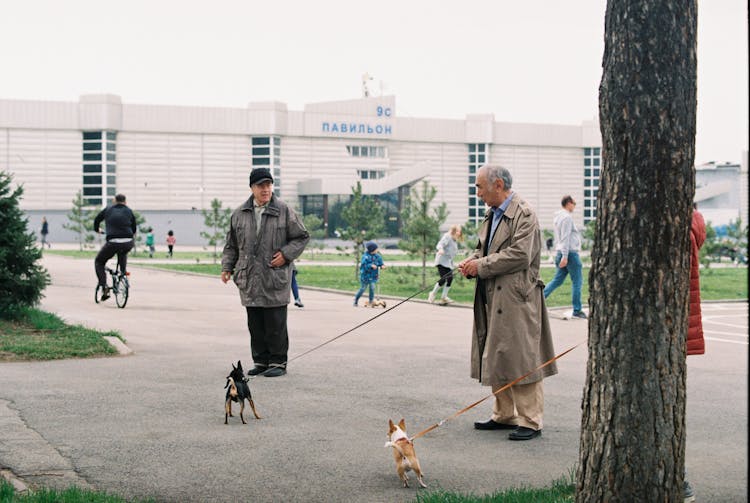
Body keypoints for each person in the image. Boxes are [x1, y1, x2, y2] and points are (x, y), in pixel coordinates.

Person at [458, 164, 557, 441]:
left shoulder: (524, 214)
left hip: (516, 297)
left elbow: (519, 256)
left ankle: (530, 420)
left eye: (479, 186)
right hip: (494, 293)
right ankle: (504, 415)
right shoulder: (493, 214)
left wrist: (482, 265)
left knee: (522, 357)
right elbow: (485, 248)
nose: (477, 192)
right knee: (497, 352)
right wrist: (472, 261)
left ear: (497, 184)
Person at [221, 167, 309, 377]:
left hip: (274, 276)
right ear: (252, 188)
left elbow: (302, 237)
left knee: (275, 323)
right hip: (250, 277)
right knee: (255, 323)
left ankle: (278, 363)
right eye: (261, 185)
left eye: (269, 184)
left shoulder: (284, 210)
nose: (266, 189)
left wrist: (286, 254)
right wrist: (227, 267)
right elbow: (231, 245)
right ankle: (260, 361)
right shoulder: (239, 214)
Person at [684, 203, 706, 503]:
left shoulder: (677, 224)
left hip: (670, 322)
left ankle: (678, 476)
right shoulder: (694, 220)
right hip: (683, 321)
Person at [543, 195, 586, 319]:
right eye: (574, 203)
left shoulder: (558, 218)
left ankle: (539, 299)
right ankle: (577, 310)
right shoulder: (566, 218)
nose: (574, 206)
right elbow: (565, 237)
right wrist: (565, 256)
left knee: (558, 280)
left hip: (561, 252)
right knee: (577, 281)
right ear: (568, 203)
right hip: (570, 254)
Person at [93, 194, 137, 301]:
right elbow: (134, 228)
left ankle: (104, 287)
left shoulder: (108, 209)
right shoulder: (129, 211)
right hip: (128, 242)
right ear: (125, 201)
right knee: (123, 251)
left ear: (114, 201)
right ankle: (123, 273)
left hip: (113, 242)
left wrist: (97, 229)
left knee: (99, 261)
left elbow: (97, 220)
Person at [427, 224, 463, 304]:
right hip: (441, 261)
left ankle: (444, 297)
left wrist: (454, 265)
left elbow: (451, 256)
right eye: (457, 231)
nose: (459, 233)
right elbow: (440, 244)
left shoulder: (454, 241)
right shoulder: (447, 237)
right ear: (453, 231)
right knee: (443, 279)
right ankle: (432, 294)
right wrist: (440, 249)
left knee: (450, 278)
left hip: (448, 263)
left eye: (459, 231)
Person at [353, 241, 385, 307]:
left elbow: (380, 263)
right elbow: (363, 265)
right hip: (365, 276)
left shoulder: (377, 256)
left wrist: (382, 266)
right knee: (363, 288)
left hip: (373, 276)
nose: (377, 250)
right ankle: (356, 300)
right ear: (372, 250)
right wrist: (370, 265)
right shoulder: (365, 257)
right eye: (376, 249)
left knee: (372, 287)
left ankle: (371, 301)